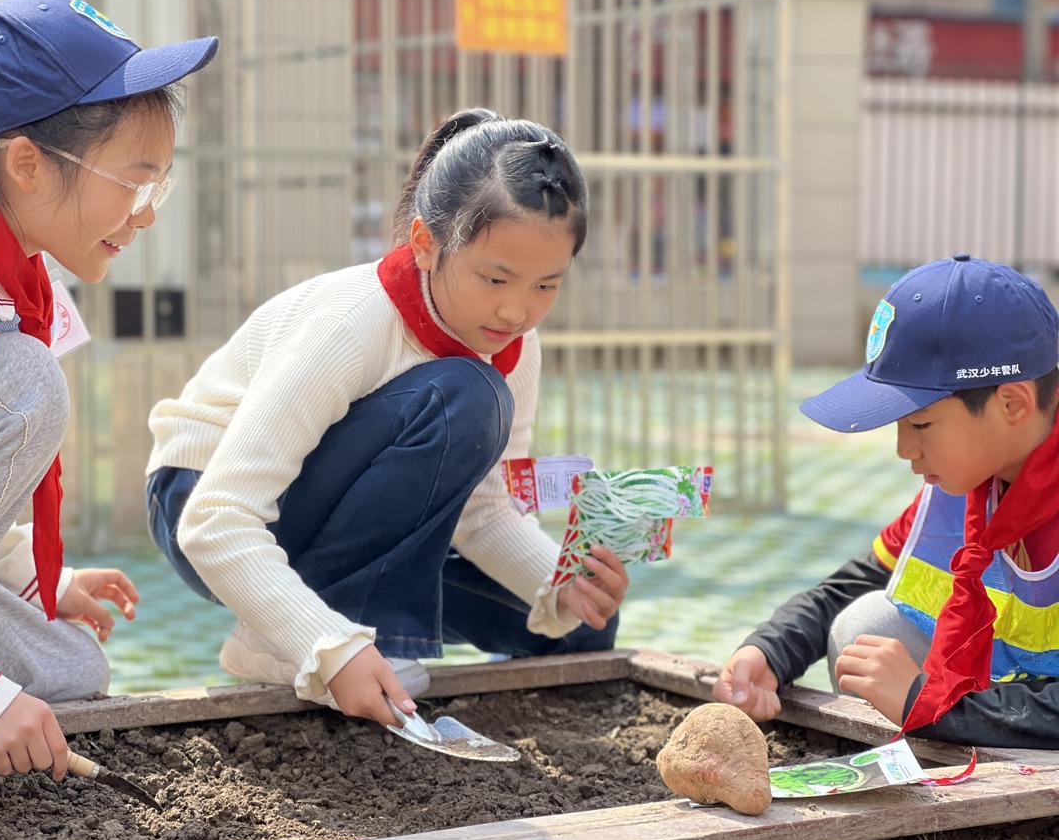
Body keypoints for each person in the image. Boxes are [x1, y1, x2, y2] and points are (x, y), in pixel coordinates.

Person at [146, 108, 630, 728]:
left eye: (546, 285)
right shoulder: (352, 327)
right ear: (425, 243)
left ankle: (344, 625)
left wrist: (558, 583)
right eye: (495, 277)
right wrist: (329, 647)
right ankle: (284, 638)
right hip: (203, 495)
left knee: (583, 626)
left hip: (329, 518)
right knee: (464, 394)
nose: (517, 310)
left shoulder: (513, 347)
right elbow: (215, 521)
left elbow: (483, 510)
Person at [0, 0, 217, 780]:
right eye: (135, 182)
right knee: (28, 379)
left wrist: (29, 571)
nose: (147, 214)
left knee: (72, 670)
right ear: (25, 163)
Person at [713, 253, 1059, 748]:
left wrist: (930, 702)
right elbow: (852, 586)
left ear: (1013, 404)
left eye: (920, 424)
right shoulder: (963, 488)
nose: (904, 449)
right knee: (865, 627)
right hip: (997, 710)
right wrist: (767, 652)